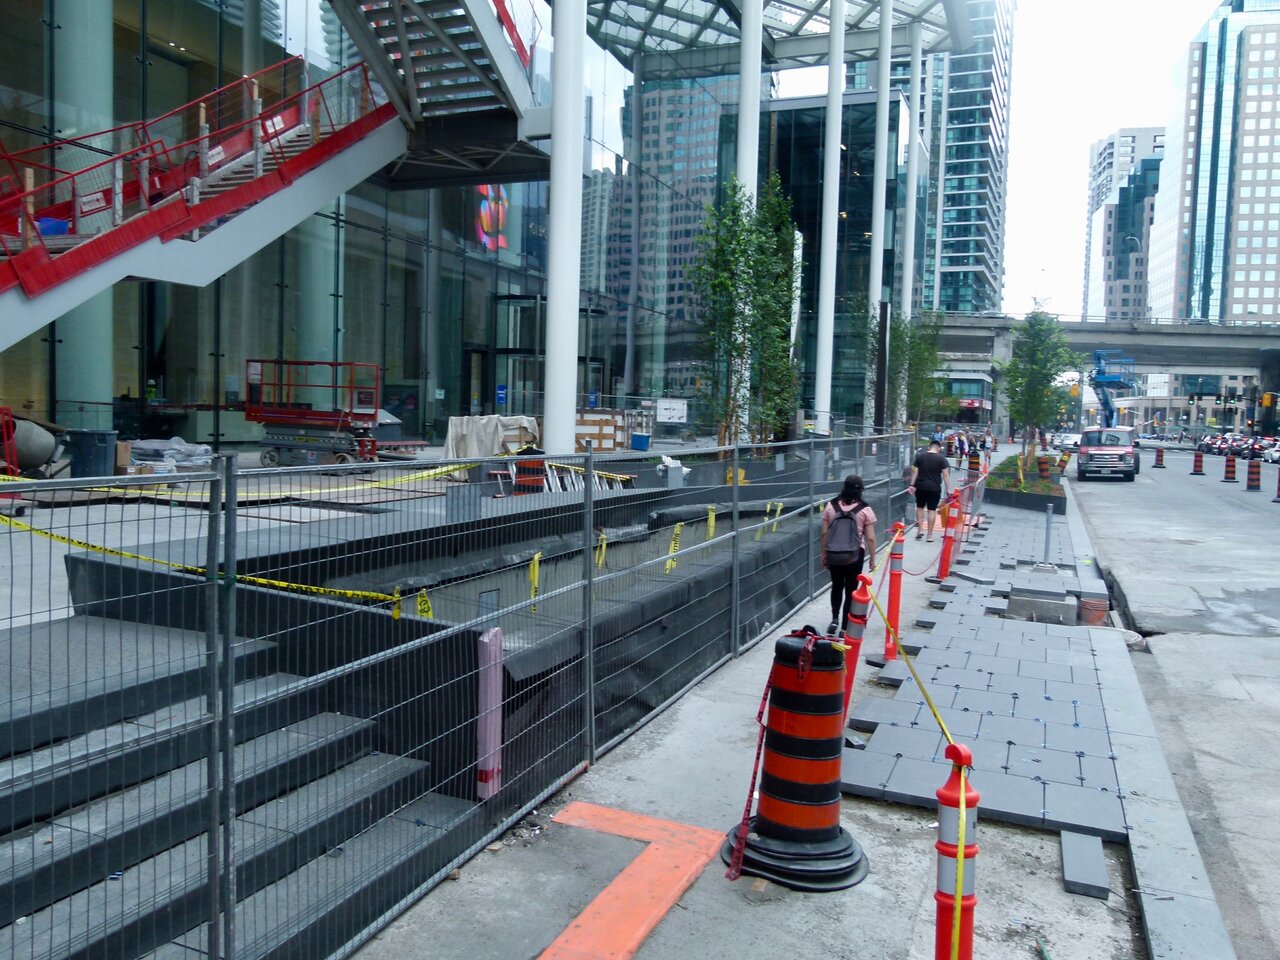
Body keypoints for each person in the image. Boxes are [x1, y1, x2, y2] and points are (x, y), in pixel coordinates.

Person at [820, 475, 877, 635]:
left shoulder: (831, 506)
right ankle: (845, 626)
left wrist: (824, 553)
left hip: (834, 553)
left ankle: (834, 619)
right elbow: (871, 538)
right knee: (851, 589)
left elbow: (824, 533)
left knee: (836, 586)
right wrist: (872, 558)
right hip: (855, 554)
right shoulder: (865, 509)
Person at [910, 439, 951, 542]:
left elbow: (915, 472)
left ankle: (920, 530)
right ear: (938, 449)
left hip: (920, 486)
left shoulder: (920, 457)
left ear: (929, 447)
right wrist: (948, 489)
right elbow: (945, 475)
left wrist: (911, 484)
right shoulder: (942, 459)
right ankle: (929, 535)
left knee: (919, 508)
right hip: (934, 488)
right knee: (931, 511)